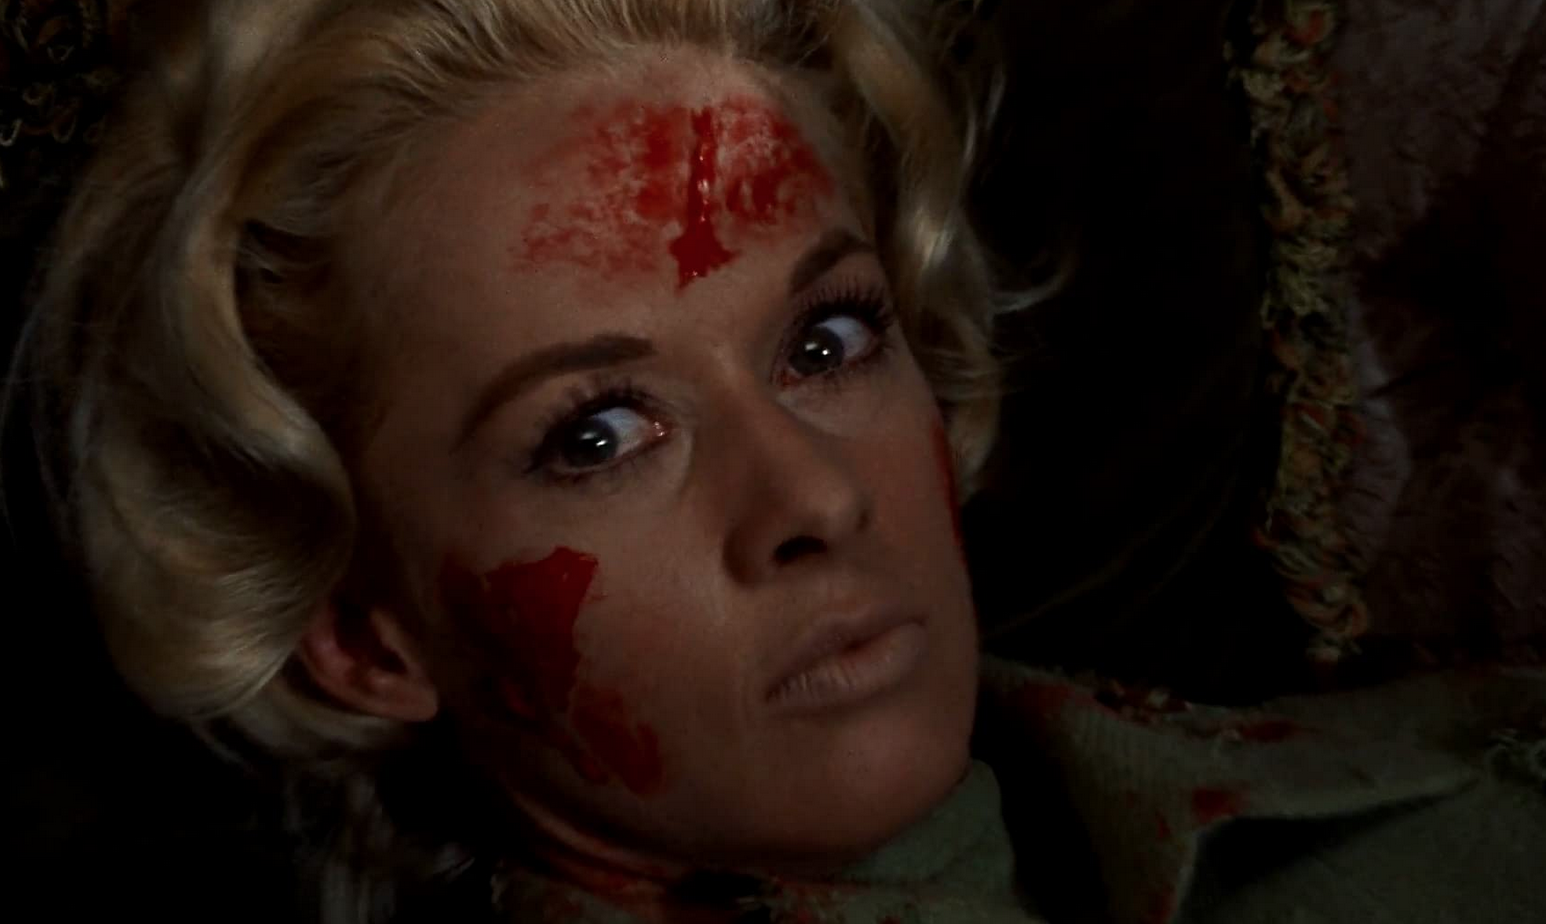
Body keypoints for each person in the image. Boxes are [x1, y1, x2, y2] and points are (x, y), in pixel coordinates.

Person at [6, 2, 1544, 923]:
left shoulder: (1456, 774)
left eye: (825, 341)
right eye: (597, 435)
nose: (813, 495)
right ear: (363, 636)